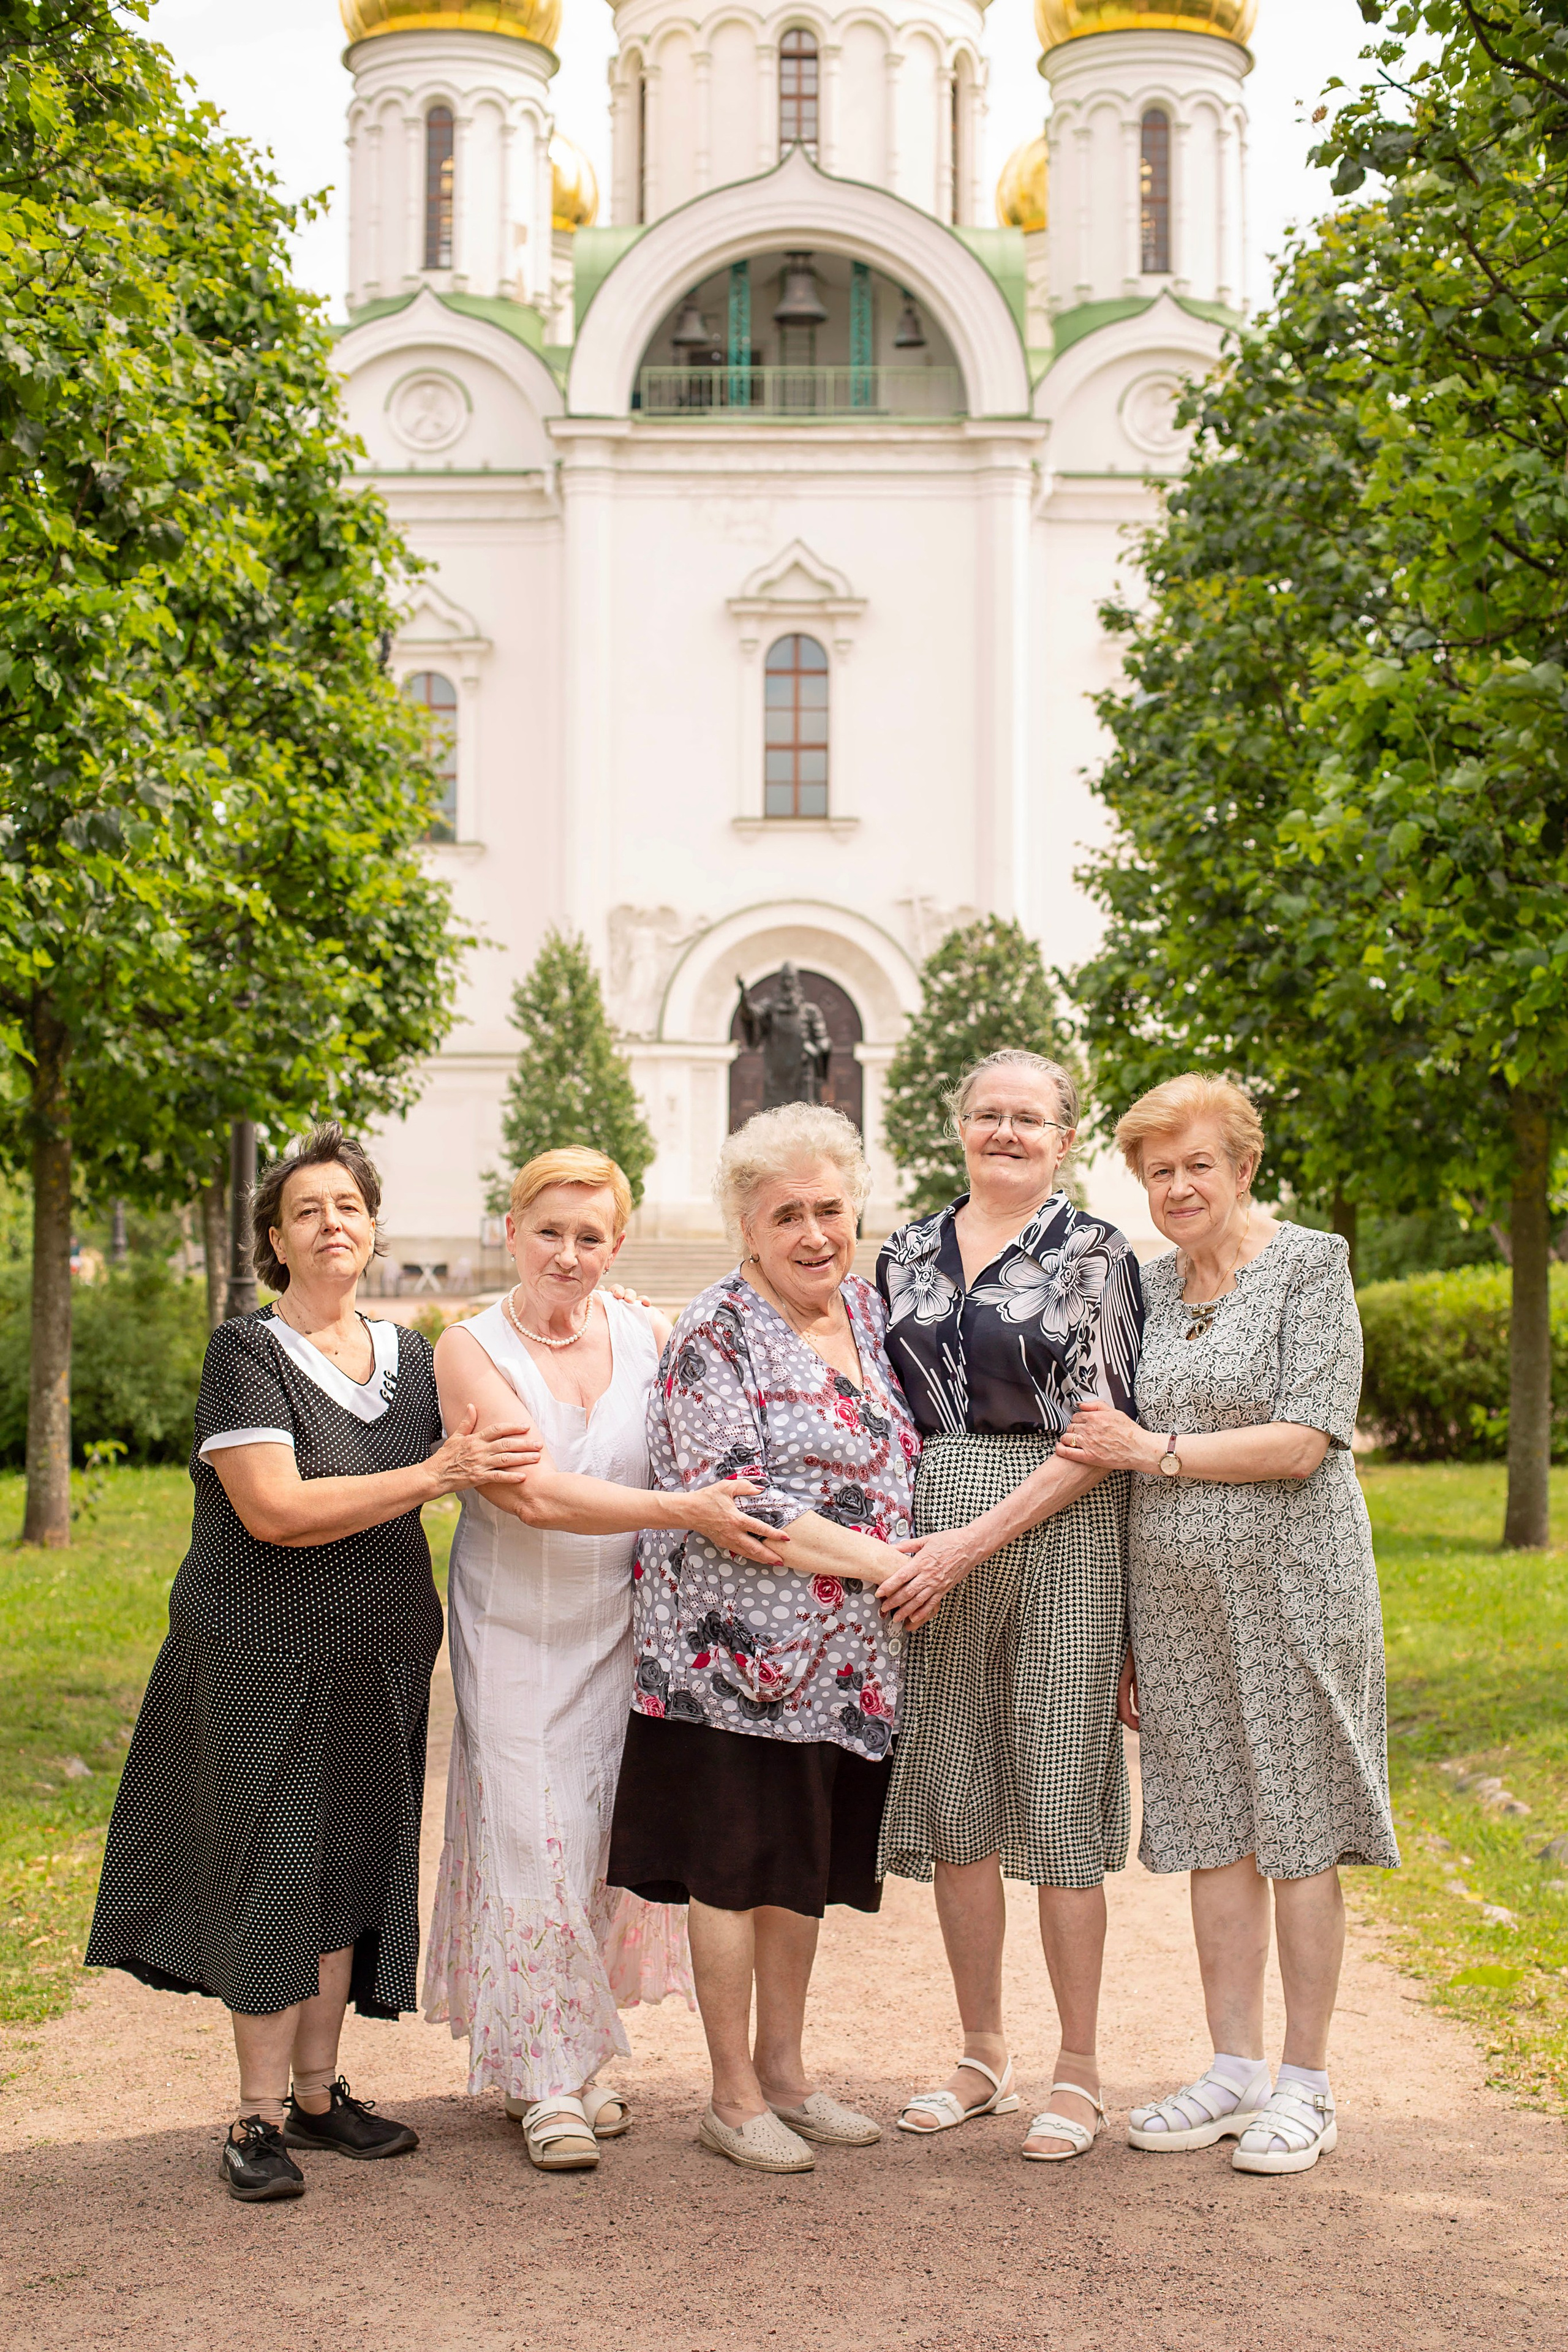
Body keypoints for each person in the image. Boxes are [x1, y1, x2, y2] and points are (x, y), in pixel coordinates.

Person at [85, 1124, 540, 2204]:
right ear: (275, 1244)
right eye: (306, 1212)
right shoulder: (247, 1353)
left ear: (372, 1228)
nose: (330, 1224)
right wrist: (434, 1472)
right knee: (271, 1872)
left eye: (347, 1206)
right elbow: (277, 1512)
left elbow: (517, 1457)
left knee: (349, 1868)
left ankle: (321, 2096)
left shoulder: (416, 1360)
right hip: (258, 1652)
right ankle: (249, 2116)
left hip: (381, 1655)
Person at [1057, 1072, 1398, 2177]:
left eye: (1198, 1164)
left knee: (1297, 1824)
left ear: (1244, 1167)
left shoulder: (1311, 1264)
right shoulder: (1145, 1289)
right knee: (1212, 1827)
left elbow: (1304, 1437)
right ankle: (1233, 2067)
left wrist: (1153, 1452)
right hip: (1175, 1598)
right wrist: (1120, 1635)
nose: (1178, 1187)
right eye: (1158, 1171)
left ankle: (1307, 2084)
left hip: (1297, 1588)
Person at [424, 1147, 786, 2173]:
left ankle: (569, 2055)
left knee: (593, 1846)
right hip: (517, 1633)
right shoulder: (469, 1349)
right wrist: (686, 1512)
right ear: (511, 1232)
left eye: (591, 1238)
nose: (570, 1255)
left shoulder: (645, 1328)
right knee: (530, 1839)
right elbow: (530, 1494)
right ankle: (544, 2083)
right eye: (551, 1232)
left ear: (618, 1246)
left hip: (627, 1633)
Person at [607, 1103, 919, 2176]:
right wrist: (886, 1562)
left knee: (800, 1867)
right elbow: (744, 1502)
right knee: (731, 1873)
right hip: (731, 1661)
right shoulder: (714, 1336)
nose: (814, 1233)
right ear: (746, 1228)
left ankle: (785, 2076)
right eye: (787, 1214)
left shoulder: (871, 1316)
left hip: (844, 1665)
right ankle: (731, 2096)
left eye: (831, 1208)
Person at [874, 1049, 1144, 2163]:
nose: (1005, 1132)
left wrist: (966, 1546)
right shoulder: (900, 1251)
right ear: (959, 1127)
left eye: (1028, 1118)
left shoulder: (1097, 1254)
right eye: (987, 1114)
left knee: (1062, 1784)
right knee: (956, 1794)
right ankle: (983, 2052)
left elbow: (1101, 1427)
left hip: (1057, 1528)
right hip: (927, 1531)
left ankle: (1078, 2070)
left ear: (1064, 1138)